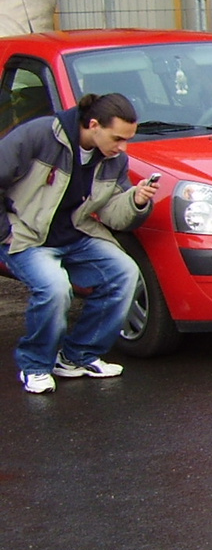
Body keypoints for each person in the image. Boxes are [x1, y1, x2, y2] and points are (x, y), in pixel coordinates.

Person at [0, 92, 156, 394]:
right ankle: (35, 365)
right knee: (54, 288)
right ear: (93, 124)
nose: (123, 148)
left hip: (76, 234)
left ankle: (76, 358)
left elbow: (112, 214)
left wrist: (135, 201)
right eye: (118, 138)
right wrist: (4, 232)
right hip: (27, 235)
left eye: (127, 140)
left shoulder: (113, 159)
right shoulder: (39, 135)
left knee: (124, 273)